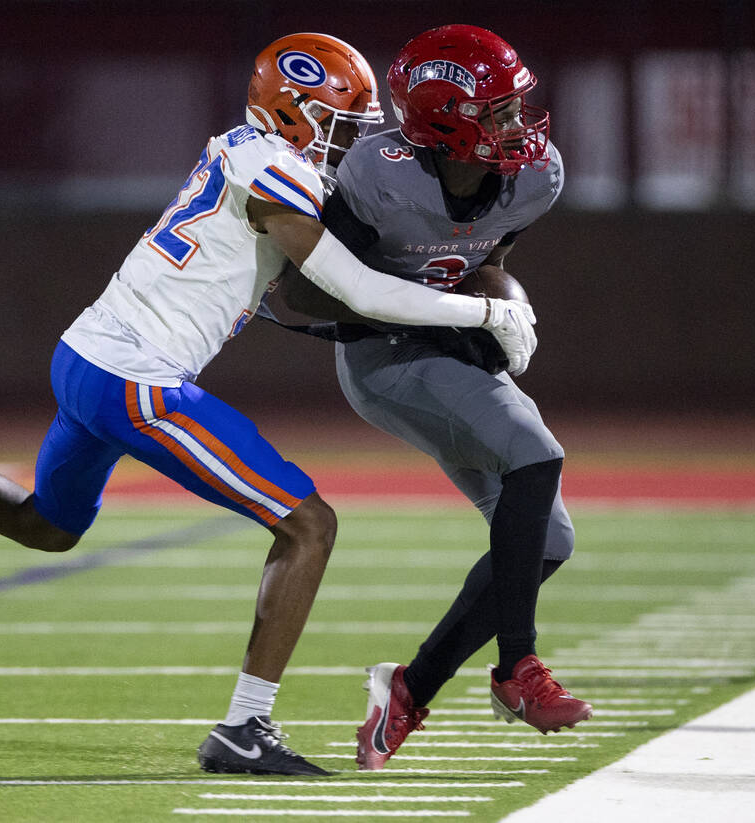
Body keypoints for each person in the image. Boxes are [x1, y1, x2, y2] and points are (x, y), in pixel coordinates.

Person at [0, 32, 538, 777]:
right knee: (309, 523)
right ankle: (246, 727)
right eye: (340, 125)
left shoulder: (245, 150)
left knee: (48, 524)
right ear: (294, 113)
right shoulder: (279, 173)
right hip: (138, 376)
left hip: (85, 356)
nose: (349, 143)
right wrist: (486, 311)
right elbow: (355, 287)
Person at [268, 24, 593, 771]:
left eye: (517, 108)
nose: (519, 127)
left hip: (446, 346)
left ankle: (408, 691)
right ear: (445, 121)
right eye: (498, 112)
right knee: (535, 454)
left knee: (548, 540)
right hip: (382, 356)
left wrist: (494, 305)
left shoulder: (535, 176)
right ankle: (518, 667)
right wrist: (452, 312)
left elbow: (482, 256)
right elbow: (310, 293)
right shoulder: (380, 175)